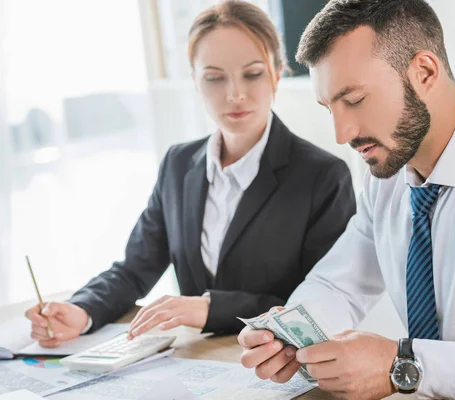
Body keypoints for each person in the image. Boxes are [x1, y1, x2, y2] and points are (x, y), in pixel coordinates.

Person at [237, 0, 455, 399]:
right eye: (331, 108)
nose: (342, 133)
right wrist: (287, 332)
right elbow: (339, 284)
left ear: (424, 72)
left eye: (355, 100)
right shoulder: (388, 173)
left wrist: (405, 364)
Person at [25, 1, 355, 346]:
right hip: (196, 361)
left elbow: (321, 304)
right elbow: (134, 269)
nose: (234, 94)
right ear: (195, 81)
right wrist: (82, 309)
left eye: (252, 73)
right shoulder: (179, 165)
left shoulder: (323, 177)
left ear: (277, 73)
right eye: (214, 78)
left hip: (278, 366)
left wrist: (209, 308)